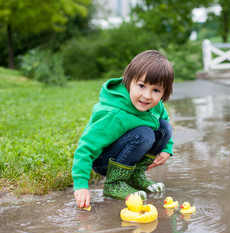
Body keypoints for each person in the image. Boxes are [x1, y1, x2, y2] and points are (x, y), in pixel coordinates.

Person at [72, 50, 174, 209]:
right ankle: (114, 183)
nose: (147, 96)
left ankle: (135, 176)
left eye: (156, 90)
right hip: (105, 161)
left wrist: (167, 149)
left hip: (128, 150)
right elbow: (86, 146)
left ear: (164, 93)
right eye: (141, 86)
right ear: (128, 82)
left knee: (164, 127)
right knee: (145, 133)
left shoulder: (156, 105)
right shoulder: (114, 114)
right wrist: (81, 184)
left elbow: (165, 120)